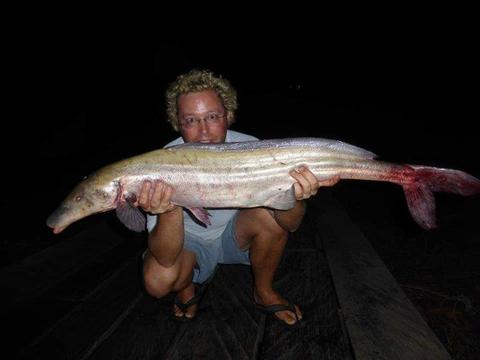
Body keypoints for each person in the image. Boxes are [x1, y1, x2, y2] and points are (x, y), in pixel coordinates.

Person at [138, 69, 339, 326]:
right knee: (157, 280)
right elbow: (164, 257)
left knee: (271, 216)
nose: (203, 132)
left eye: (212, 117)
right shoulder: (159, 164)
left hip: (234, 234)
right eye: (190, 120)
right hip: (187, 244)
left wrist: (296, 196)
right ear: (178, 123)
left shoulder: (254, 149)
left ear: (228, 115)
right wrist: (168, 207)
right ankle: (185, 287)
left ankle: (263, 291)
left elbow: (291, 223)